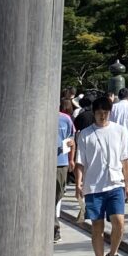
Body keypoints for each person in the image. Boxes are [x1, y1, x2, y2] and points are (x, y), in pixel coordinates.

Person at [75, 94, 128, 256]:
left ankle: (112, 254)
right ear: (94, 113)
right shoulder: (85, 134)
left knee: (119, 222)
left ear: (110, 112)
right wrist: (78, 183)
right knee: (97, 228)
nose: (102, 116)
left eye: (105, 112)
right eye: (99, 112)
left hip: (115, 183)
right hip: (93, 186)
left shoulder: (120, 131)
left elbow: (126, 160)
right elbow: (80, 162)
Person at [55, 90, 78, 239]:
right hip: (44, 163)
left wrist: (71, 159)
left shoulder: (66, 119)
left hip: (61, 163)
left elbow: (72, 139)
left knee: (58, 195)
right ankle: (55, 228)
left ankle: (53, 226)